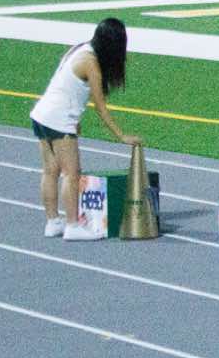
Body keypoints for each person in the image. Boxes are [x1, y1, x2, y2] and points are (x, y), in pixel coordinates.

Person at [31, 18, 141, 240]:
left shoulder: (79, 48)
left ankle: (53, 222)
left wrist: (75, 116)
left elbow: (65, 82)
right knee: (72, 173)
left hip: (41, 114)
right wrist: (121, 136)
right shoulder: (91, 63)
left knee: (50, 171)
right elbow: (100, 106)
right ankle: (72, 225)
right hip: (59, 119)